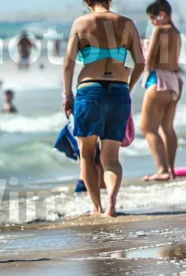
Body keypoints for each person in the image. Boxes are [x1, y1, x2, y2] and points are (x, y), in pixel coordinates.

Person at [63, 0, 145, 217]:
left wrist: (67, 94)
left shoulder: (81, 23)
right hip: (119, 92)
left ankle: (96, 207)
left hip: (90, 91)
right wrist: (128, 87)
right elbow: (141, 63)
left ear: (87, 2)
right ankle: (111, 203)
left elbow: (68, 64)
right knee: (111, 159)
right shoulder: (127, 24)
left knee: (87, 155)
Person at [141, 0, 182, 182]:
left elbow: (149, 62)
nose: (152, 23)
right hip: (175, 81)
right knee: (167, 127)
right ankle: (171, 170)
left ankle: (162, 169)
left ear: (162, 14)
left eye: (153, 18)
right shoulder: (176, 33)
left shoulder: (160, 30)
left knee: (148, 128)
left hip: (159, 80)